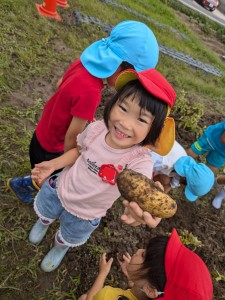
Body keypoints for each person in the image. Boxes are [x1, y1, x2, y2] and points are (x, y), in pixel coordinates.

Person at [29, 68, 176, 272]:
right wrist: (54, 164)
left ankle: (59, 246)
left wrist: (141, 209)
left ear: (154, 129)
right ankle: (43, 222)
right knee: (47, 211)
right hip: (60, 188)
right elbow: (79, 151)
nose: (124, 123)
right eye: (123, 108)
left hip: (86, 213)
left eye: (141, 119)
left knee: (69, 234)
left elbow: (142, 188)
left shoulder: (139, 160)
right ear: (113, 103)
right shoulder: (97, 129)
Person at [7, 19, 159, 205]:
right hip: (54, 148)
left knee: (41, 169)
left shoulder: (85, 62)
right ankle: (23, 186)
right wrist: (73, 163)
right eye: (130, 79)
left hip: (43, 132)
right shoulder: (91, 93)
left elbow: (59, 84)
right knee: (50, 178)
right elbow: (73, 136)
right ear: (120, 65)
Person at [78, 228, 213, 300]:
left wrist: (102, 274)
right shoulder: (152, 293)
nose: (139, 250)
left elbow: (92, 297)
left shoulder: (107, 295)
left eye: (143, 256)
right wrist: (133, 279)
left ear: (150, 290)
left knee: (84, 297)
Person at [150, 142, 214, 201]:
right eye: (184, 189)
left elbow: (170, 185)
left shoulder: (185, 166)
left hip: (155, 164)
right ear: (184, 180)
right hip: (147, 152)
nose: (181, 188)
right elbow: (143, 164)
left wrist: (158, 199)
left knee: (166, 180)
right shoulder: (164, 162)